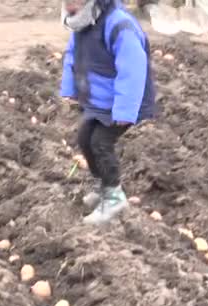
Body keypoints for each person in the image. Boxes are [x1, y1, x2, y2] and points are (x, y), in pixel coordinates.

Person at [59, 0, 157, 224]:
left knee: (100, 143)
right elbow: (72, 56)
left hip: (122, 103)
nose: (69, 6)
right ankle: (103, 185)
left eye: (74, 2)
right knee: (85, 138)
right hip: (98, 100)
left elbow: (132, 70)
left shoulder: (119, 26)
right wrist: (70, 88)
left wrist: (124, 110)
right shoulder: (81, 24)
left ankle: (114, 195)